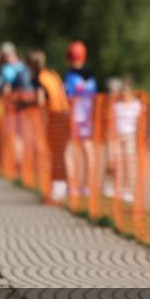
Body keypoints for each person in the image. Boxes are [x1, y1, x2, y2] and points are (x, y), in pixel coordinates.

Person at [25, 50, 72, 202]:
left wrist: (24, 104)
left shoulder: (39, 79)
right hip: (65, 114)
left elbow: (39, 101)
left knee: (57, 153)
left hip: (55, 117)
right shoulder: (52, 74)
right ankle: (65, 186)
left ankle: (59, 188)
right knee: (63, 152)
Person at [63, 41, 98, 197]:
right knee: (88, 150)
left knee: (69, 150)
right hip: (88, 117)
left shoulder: (70, 76)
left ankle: (72, 187)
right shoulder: (92, 76)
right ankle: (87, 186)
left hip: (74, 117)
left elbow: (67, 97)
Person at [111, 75, 143, 203]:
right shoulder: (116, 105)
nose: (124, 94)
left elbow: (141, 123)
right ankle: (118, 189)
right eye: (122, 91)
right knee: (117, 163)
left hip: (130, 136)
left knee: (129, 164)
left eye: (126, 91)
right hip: (117, 136)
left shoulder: (137, 105)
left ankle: (129, 191)